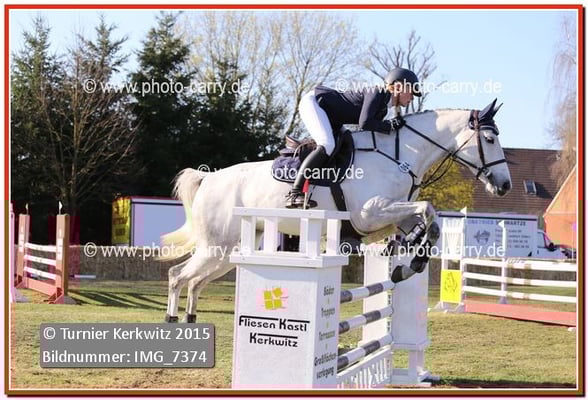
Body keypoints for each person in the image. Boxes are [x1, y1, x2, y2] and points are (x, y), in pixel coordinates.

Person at [285, 67, 422, 208]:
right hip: (315, 102)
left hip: (332, 116)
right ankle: (294, 193)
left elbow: (372, 132)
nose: (412, 98)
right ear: (398, 87)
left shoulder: (383, 108)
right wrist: (389, 125)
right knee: (327, 145)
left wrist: (391, 126)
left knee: (348, 141)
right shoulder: (377, 92)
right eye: (411, 92)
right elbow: (365, 123)